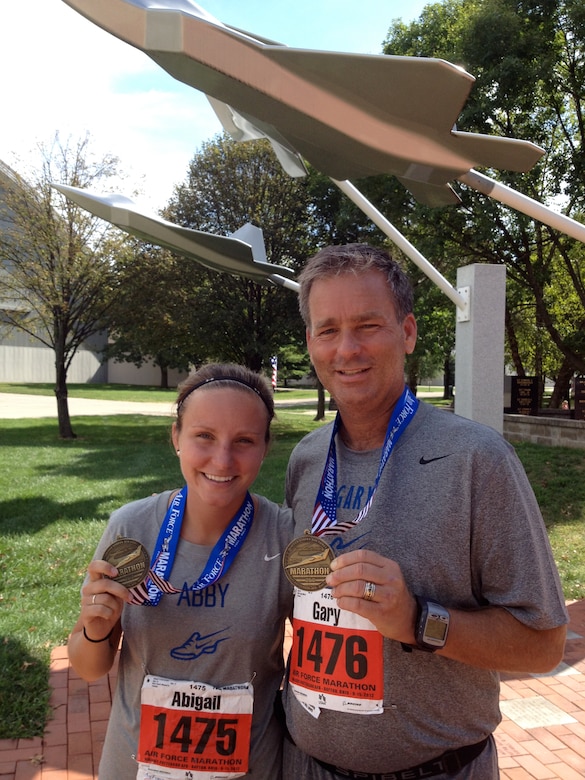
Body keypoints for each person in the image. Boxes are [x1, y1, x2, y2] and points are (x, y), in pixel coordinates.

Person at [281, 244, 568, 780]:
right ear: (310, 342)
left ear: (408, 333)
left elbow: (543, 643)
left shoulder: (476, 459)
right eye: (328, 330)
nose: (347, 348)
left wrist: (418, 620)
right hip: (305, 764)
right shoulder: (307, 457)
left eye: (368, 325)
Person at [68, 363, 294, 780]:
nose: (222, 459)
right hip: (135, 767)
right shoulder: (131, 529)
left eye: (244, 441)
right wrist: (95, 625)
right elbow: (88, 667)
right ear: (176, 437)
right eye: (204, 436)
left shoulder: (283, 536)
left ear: (265, 447)